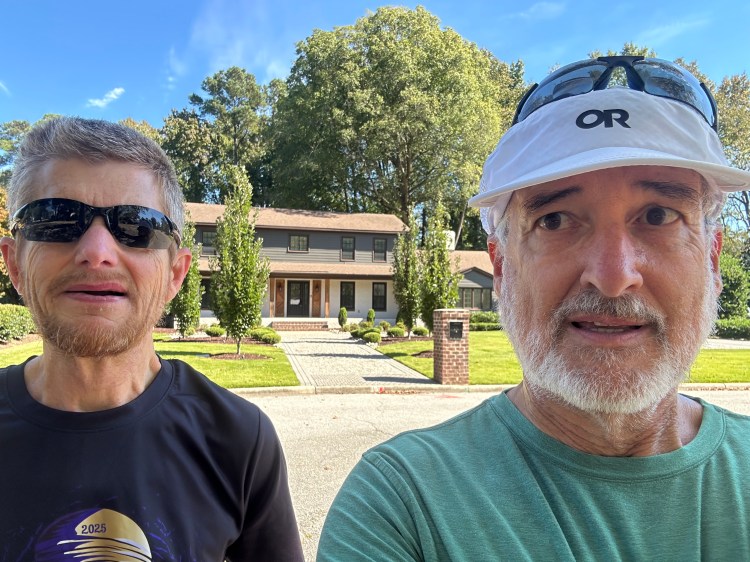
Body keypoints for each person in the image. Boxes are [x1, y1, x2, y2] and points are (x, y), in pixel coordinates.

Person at [317, 56, 750, 560]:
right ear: (501, 268)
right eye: (556, 220)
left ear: (712, 258)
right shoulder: (403, 504)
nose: (613, 276)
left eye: (659, 216)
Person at [0, 117, 303, 561]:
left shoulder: (239, 440)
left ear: (175, 275)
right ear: (15, 264)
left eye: (137, 227)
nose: (97, 253)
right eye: (57, 220)